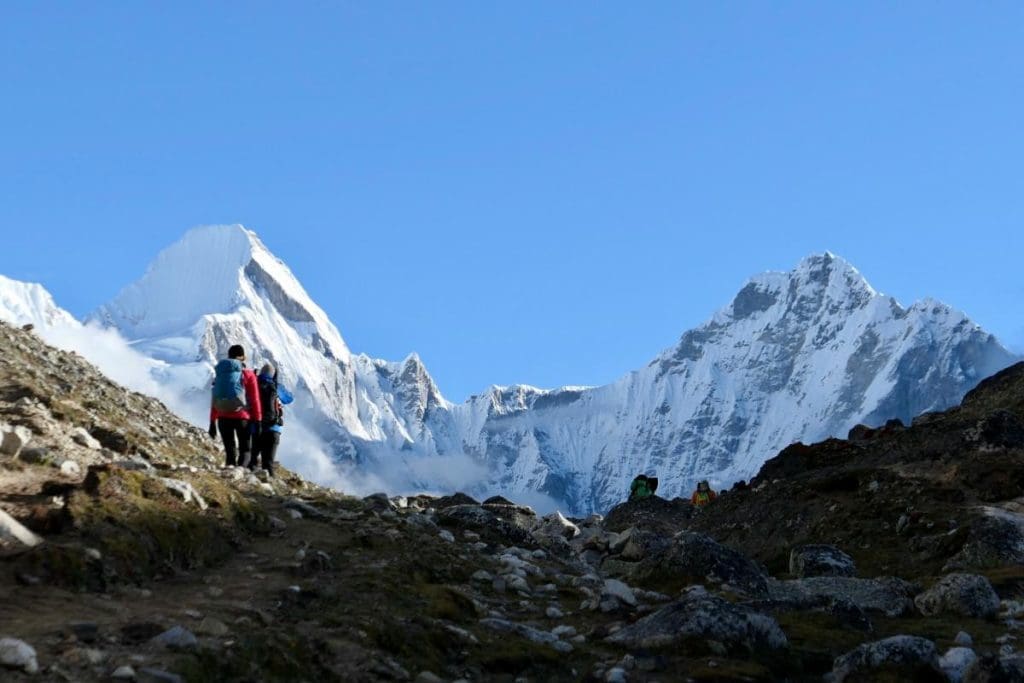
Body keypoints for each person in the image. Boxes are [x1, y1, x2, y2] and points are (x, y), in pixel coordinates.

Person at [208, 344, 262, 468]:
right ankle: (241, 476)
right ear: (243, 357)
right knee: (245, 450)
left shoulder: (220, 374)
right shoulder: (248, 375)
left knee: (230, 451)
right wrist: (258, 420)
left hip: (222, 417)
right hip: (242, 417)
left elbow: (215, 396)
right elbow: (255, 399)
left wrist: (212, 422)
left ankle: (230, 478)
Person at [255, 362, 293, 476]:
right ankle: (270, 489)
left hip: (257, 427)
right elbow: (289, 399)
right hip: (274, 428)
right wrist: (277, 382)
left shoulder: (255, 383)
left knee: (251, 459)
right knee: (268, 462)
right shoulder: (275, 386)